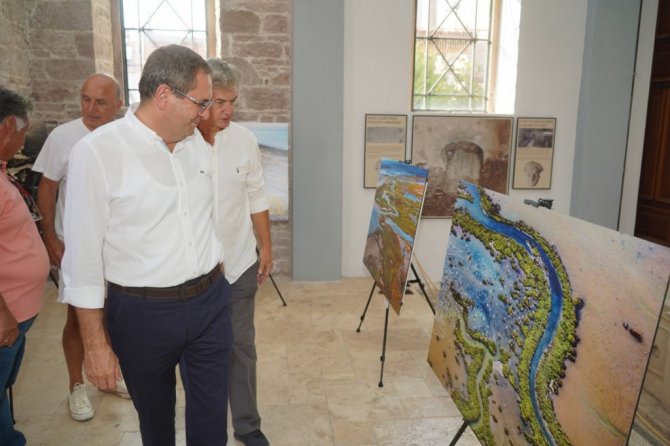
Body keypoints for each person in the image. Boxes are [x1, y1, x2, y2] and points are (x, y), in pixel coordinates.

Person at [61, 44, 232, 446]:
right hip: (143, 313)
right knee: (156, 424)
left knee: (211, 423)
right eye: (201, 102)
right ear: (164, 95)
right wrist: (95, 344)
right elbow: (82, 259)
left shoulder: (195, 143)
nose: (206, 112)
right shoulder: (97, 153)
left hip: (210, 303)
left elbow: (203, 220)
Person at [32, 73, 127, 422]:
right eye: (85, 99)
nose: (91, 108)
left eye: (100, 102)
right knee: (78, 317)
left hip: (116, 246)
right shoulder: (63, 136)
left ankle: (108, 376)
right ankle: (76, 385)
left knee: (113, 316)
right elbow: (47, 188)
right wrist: (51, 238)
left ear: (118, 104)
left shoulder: (124, 137)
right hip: (75, 245)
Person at [197, 59, 272, 446]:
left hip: (240, 264)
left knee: (242, 347)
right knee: (201, 354)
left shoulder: (244, 140)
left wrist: (266, 246)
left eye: (232, 102)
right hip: (194, 273)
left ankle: (247, 426)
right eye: (219, 102)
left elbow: (256, 194)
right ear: (201, 101)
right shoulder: (180, 143)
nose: (227, 110)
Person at [0, 87, 50, 446]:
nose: (22, 141)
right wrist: (2, 314)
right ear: (7, 128)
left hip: (17, 313)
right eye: (22, 132)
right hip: (6, 316)